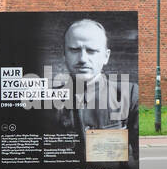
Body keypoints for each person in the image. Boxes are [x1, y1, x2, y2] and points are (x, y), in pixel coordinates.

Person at [49, 19, 139, 161]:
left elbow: (139, 158)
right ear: (64, 55)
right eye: (74, 50)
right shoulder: (46, 100)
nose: (83, 58)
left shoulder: (130, 95)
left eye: (91, 51)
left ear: (106, 56)